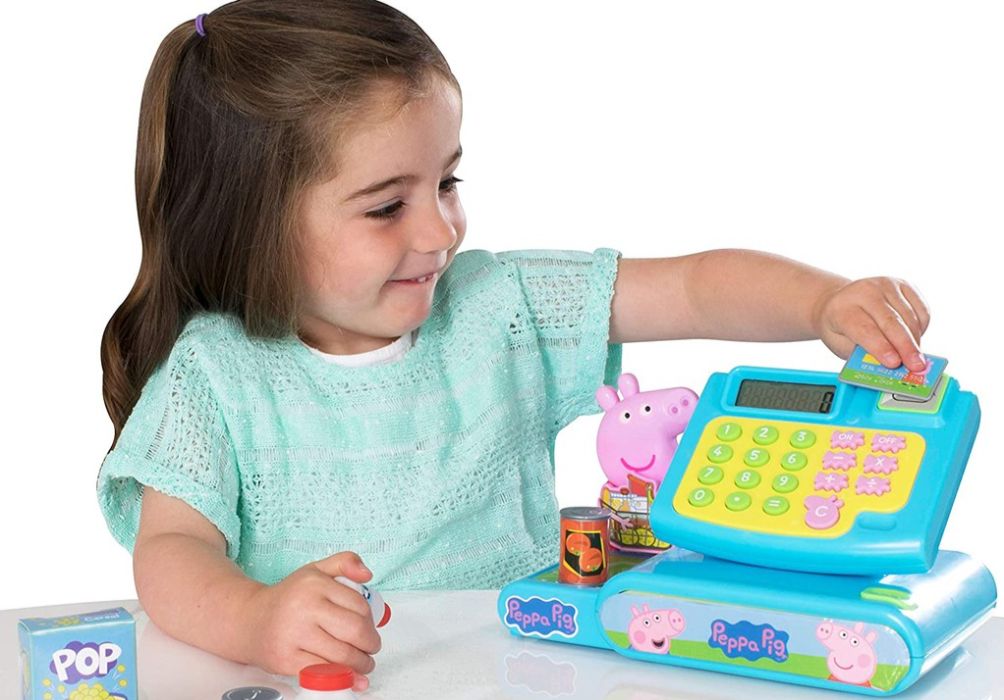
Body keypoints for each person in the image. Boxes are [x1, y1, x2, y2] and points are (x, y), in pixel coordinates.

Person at [96, 0, 930, 691]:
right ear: (248, 226)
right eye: (387, 206)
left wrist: (822, 301)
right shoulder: (216, 374)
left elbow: (691, 286)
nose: (441, 232)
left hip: (526, 671)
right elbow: (171, 552)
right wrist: (256, 618)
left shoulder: (504, 304)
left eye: (447, 182)